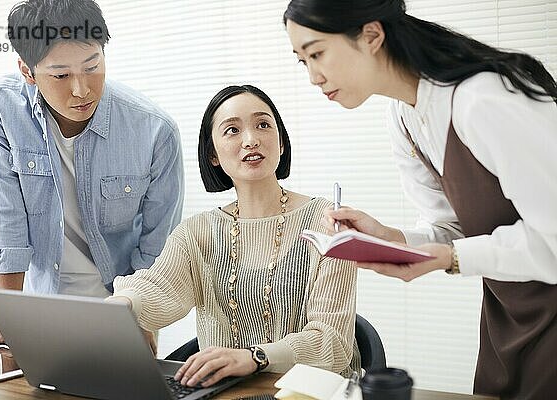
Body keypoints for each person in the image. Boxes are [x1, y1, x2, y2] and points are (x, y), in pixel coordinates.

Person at [283, 1, 557, 398]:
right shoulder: (405, 116)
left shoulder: (482, 99)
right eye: (301, 61)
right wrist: (393, 239)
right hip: (510, 314)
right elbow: (453, 227)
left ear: (372, 35)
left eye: (317, 53)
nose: (312, 76)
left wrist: (450, 259)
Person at [0, 0, 184, 353]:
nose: (82, 90)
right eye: (61, 75)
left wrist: (142, 322)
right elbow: (4, 223)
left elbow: (158, 246)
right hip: (40, 307)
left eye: (93, 67)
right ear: (27, 71)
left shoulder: (155, 130)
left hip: (120, 307)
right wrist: (13, 322)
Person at [108, 85, 360, 387]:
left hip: (309, 392)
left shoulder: (328, 223)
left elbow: (331, 343)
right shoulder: (198, 231)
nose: (251, 140)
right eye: (232, 130)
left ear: (280, 143)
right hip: (224, 392)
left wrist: (254, 358)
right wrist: (123, 303)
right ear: (212, 154)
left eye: (263, 125)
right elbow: (159, 287)